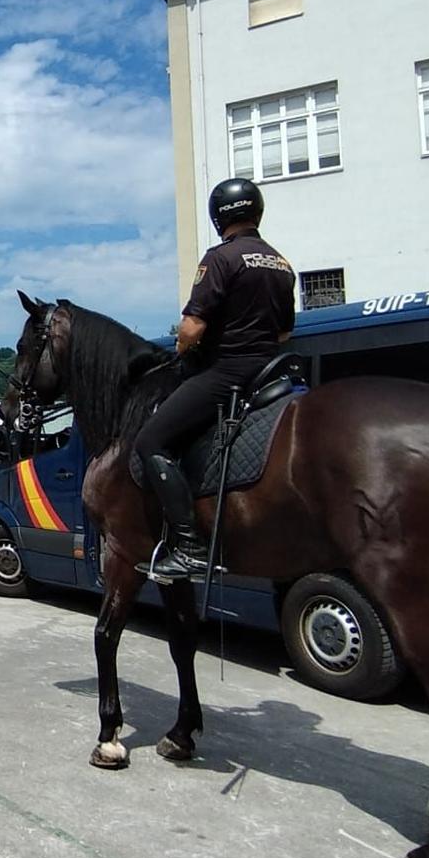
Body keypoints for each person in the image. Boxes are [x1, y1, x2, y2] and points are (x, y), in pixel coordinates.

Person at [128, 177, 295, 577]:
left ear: (219, 216)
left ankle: (188, 545)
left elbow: (191, 328)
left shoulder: (221, 258)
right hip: (271, 371)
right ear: (257, 211)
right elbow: (284, 332)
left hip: (227, 372)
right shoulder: (281, 263)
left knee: (151, 439)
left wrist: (184, 350)